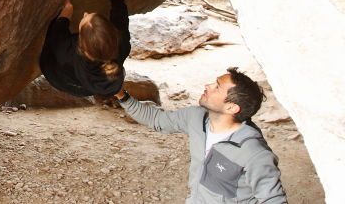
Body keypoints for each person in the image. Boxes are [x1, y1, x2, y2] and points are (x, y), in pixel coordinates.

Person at [114, 68, 287, 203]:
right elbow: (157, 119)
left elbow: (272, 199)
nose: (208, 86)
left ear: (231, 108)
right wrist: (121, 95)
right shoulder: (196, 117)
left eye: (217, 87)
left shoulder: (253, 153)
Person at [39, 0, 131, 97]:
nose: (85, 13)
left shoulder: (66, 50)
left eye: (83, 20)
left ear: (81, 46)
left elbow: (59, 27)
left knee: (50, 42)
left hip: (61, 80)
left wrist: (67, 11)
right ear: (111, 31)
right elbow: (117, 1)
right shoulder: (121, 41)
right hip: (90, 87)